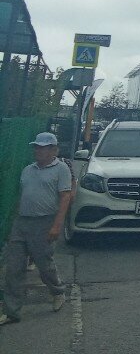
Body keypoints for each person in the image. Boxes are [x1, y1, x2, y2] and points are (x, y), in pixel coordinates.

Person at [1, 133, 72, 326]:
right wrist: (14, 220)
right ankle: (11, 311)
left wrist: (56, 225)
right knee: (14, 268)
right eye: (36, 147)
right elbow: (21, 196)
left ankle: (57, 291)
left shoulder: (61, 169)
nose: (38, 150)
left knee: (44, 264)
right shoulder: (28, 169)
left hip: (44, 222)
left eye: (42, 147)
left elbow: (65, 197)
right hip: (22, 222)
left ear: (53, 150)